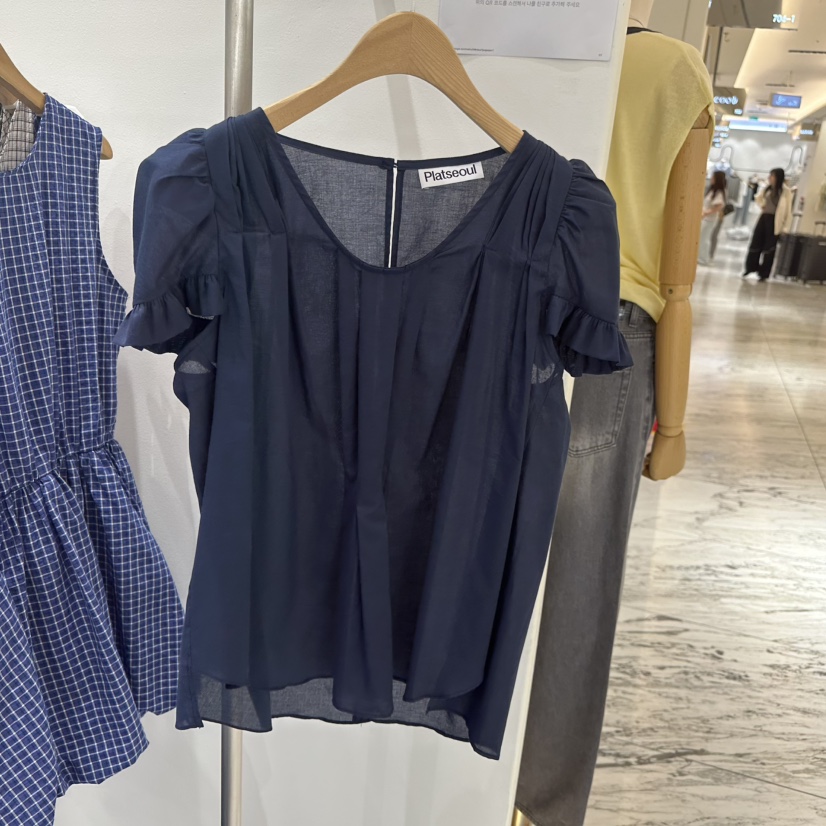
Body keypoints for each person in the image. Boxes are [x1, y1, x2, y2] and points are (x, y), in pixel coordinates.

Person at [743, 167, 793, 281]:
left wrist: (785, 228)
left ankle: (764, 273)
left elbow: (788, 211)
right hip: (764, 218)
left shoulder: (786, 192)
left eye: (772, 176)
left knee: (769, 247)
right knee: (756, 242)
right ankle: (750, 268)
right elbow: (758, 198)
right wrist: (762, 205)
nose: (770, 178)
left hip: (775, 221)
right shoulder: (767, 188)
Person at [697, 170, 727, 265]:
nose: (711, 179)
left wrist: (707, 213)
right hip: (705, 218)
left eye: (713, 177)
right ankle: (701, 257)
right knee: (702, 238)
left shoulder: (719, 192)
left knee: (705, 238)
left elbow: (719, 206)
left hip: (710, 219)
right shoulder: (712, 191)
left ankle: (704, 258)